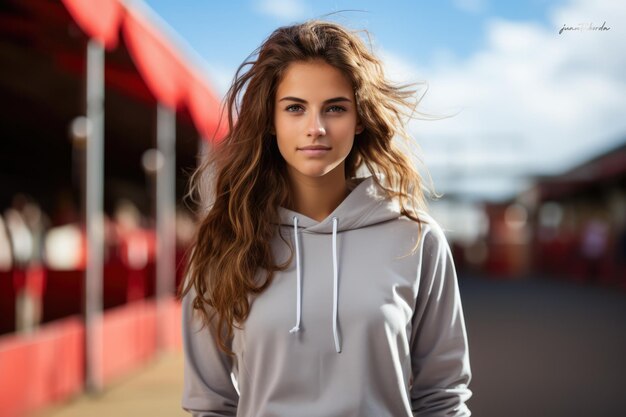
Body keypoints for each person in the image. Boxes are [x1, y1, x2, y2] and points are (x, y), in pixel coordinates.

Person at [179, 19, 472, 417]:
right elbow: (209, 404)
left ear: (360, 118)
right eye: (295, 108)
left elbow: (442, 397)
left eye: (334, 108)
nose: (315, 128)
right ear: (270, 120)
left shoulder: (417, 239)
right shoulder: (225, 241)